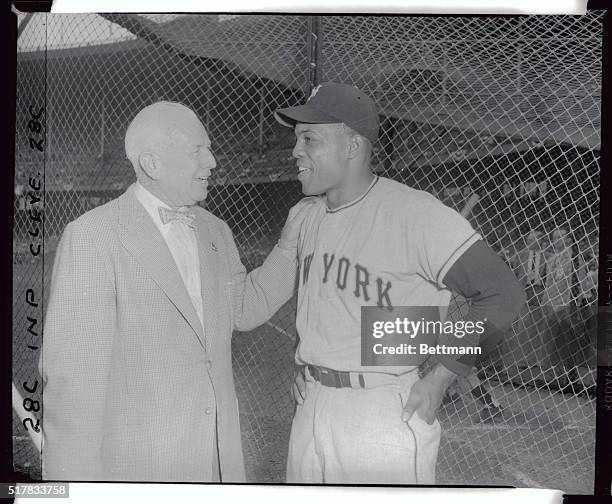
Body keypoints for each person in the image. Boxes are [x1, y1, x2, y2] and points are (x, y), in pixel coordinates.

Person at [273, 82, 525, 484]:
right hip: (311, 407)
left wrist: (442, 374)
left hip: (380, 411)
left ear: (353, 146)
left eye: (310, 139)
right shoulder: (309, 216)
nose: (295, 150)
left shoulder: (414, 212)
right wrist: (311, 364)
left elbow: (502, 295)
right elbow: (331, 312)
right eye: (297, 139)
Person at [40, 101, 302, 482]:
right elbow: (74, 386)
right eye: (198, 150)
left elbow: (244, 308)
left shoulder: (216, 231)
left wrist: (289, 247)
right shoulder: (93, 236)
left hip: (217, 460)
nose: (212, 161)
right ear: (152, 164)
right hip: (141, 469)